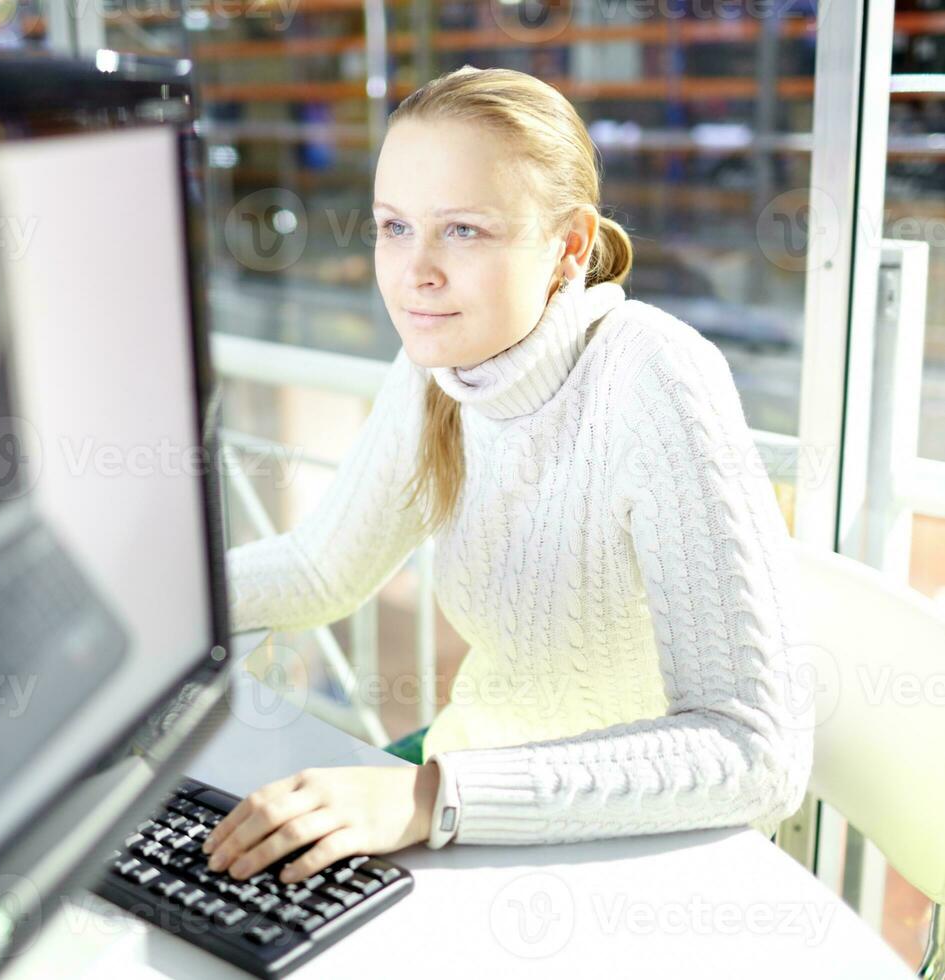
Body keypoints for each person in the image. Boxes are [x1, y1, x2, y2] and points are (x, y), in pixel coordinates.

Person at [202, 65, 813, 887]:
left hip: (624, 852)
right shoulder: (437, 361)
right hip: (465, 790)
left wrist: (428, 798)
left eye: (462, 231)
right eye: (392, 227)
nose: (414, 272)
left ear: (566, 245)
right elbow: (321, 569)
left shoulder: (653, 374)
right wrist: (153, 611)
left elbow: (757, 752)